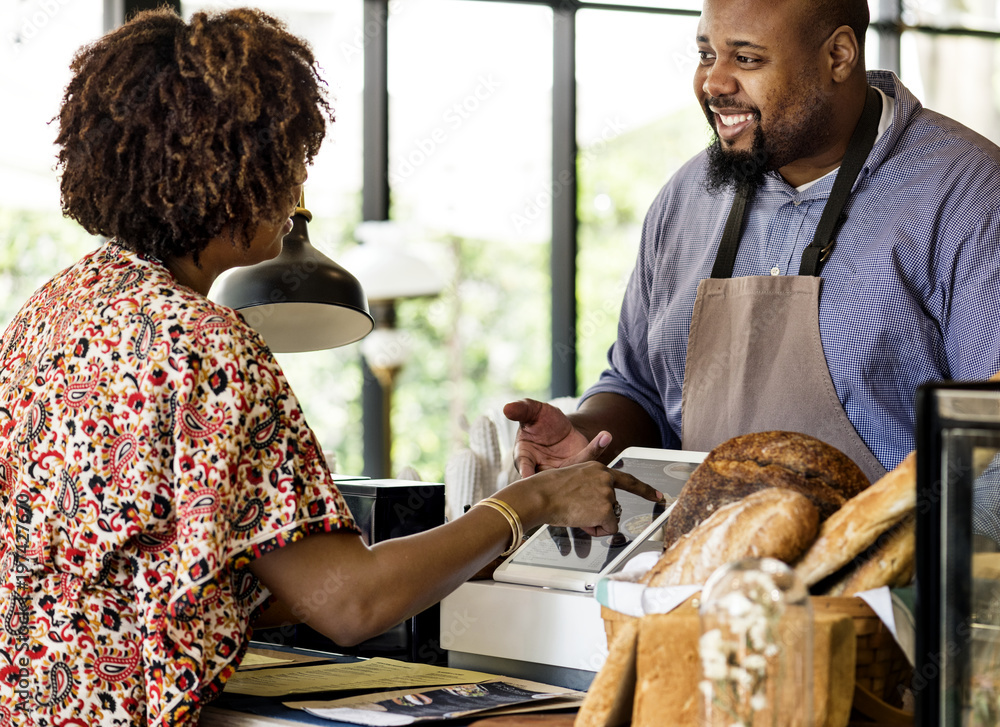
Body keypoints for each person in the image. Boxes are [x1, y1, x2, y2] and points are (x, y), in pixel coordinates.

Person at [0, 8, 662, 726]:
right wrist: (533, 503)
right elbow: (350, 603)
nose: (297, 194)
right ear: (234, 172)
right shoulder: (205, 344)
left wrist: (463, 540)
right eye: (288, 161)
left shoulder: (50, 313)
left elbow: (172, 578)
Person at [505, 0, 1000, 519]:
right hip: (693, 577)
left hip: (887, 592)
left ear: (838, 55)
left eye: (746, 59)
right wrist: (584, 440)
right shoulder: (685, 198)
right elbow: (637, 388)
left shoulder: (967, 197)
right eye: (705, 54)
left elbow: (989, 457)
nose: (713, 83)